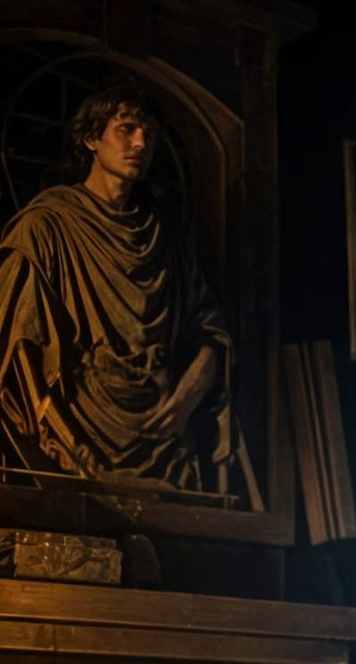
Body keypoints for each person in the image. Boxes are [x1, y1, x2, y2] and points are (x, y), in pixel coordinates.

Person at [0, 85, 232, 489]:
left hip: (161, 438)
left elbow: (210, 333)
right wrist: (66, 441)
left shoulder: (165, 242)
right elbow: (18, 347)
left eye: (150, 135)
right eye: (125, 129)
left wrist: (185, 400)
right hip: (75, 438)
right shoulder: (46, 228)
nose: (140, 143)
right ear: (91, 139)